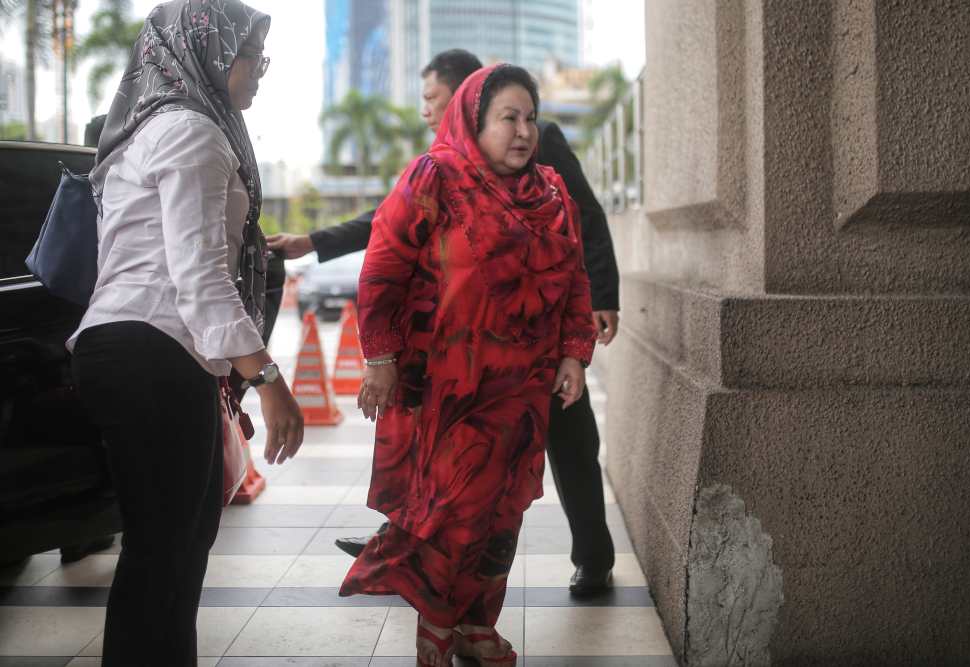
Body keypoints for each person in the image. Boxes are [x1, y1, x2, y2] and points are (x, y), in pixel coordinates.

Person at [268, 48, 620, 596]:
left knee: (569, 443)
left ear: (465, 96)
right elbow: (390, 227)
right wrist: (315, 242)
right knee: (447, 456)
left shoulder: (535, 140)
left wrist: (600, 300)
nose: (426, 112)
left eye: (432, 98)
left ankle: (593, 556)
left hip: (543, 339)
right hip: (466, 352)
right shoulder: (443, 161)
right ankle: (415, 556)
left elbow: (584, 218)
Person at [67, 2, 303, 663]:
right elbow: (199, 278)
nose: (261, 70)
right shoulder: (192, 132)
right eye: (252, 55)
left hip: (142, 349)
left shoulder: (145, 129)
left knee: (174, 546)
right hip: (152, 351)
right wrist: (270, 380)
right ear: (209, 51)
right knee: (164, 551)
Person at [338, 64, 596, 666]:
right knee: (453, 512)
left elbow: (575, 282)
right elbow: (381, 268)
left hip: (524, 388)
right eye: (509, 118)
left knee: (504, 510)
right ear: (475, 121)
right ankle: (437, 625)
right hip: (449, 388)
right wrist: (378, 359)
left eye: (530, 118)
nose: (524, 131)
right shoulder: (436, 176)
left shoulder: (553, 192)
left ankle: (479, 625)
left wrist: (574, 355)